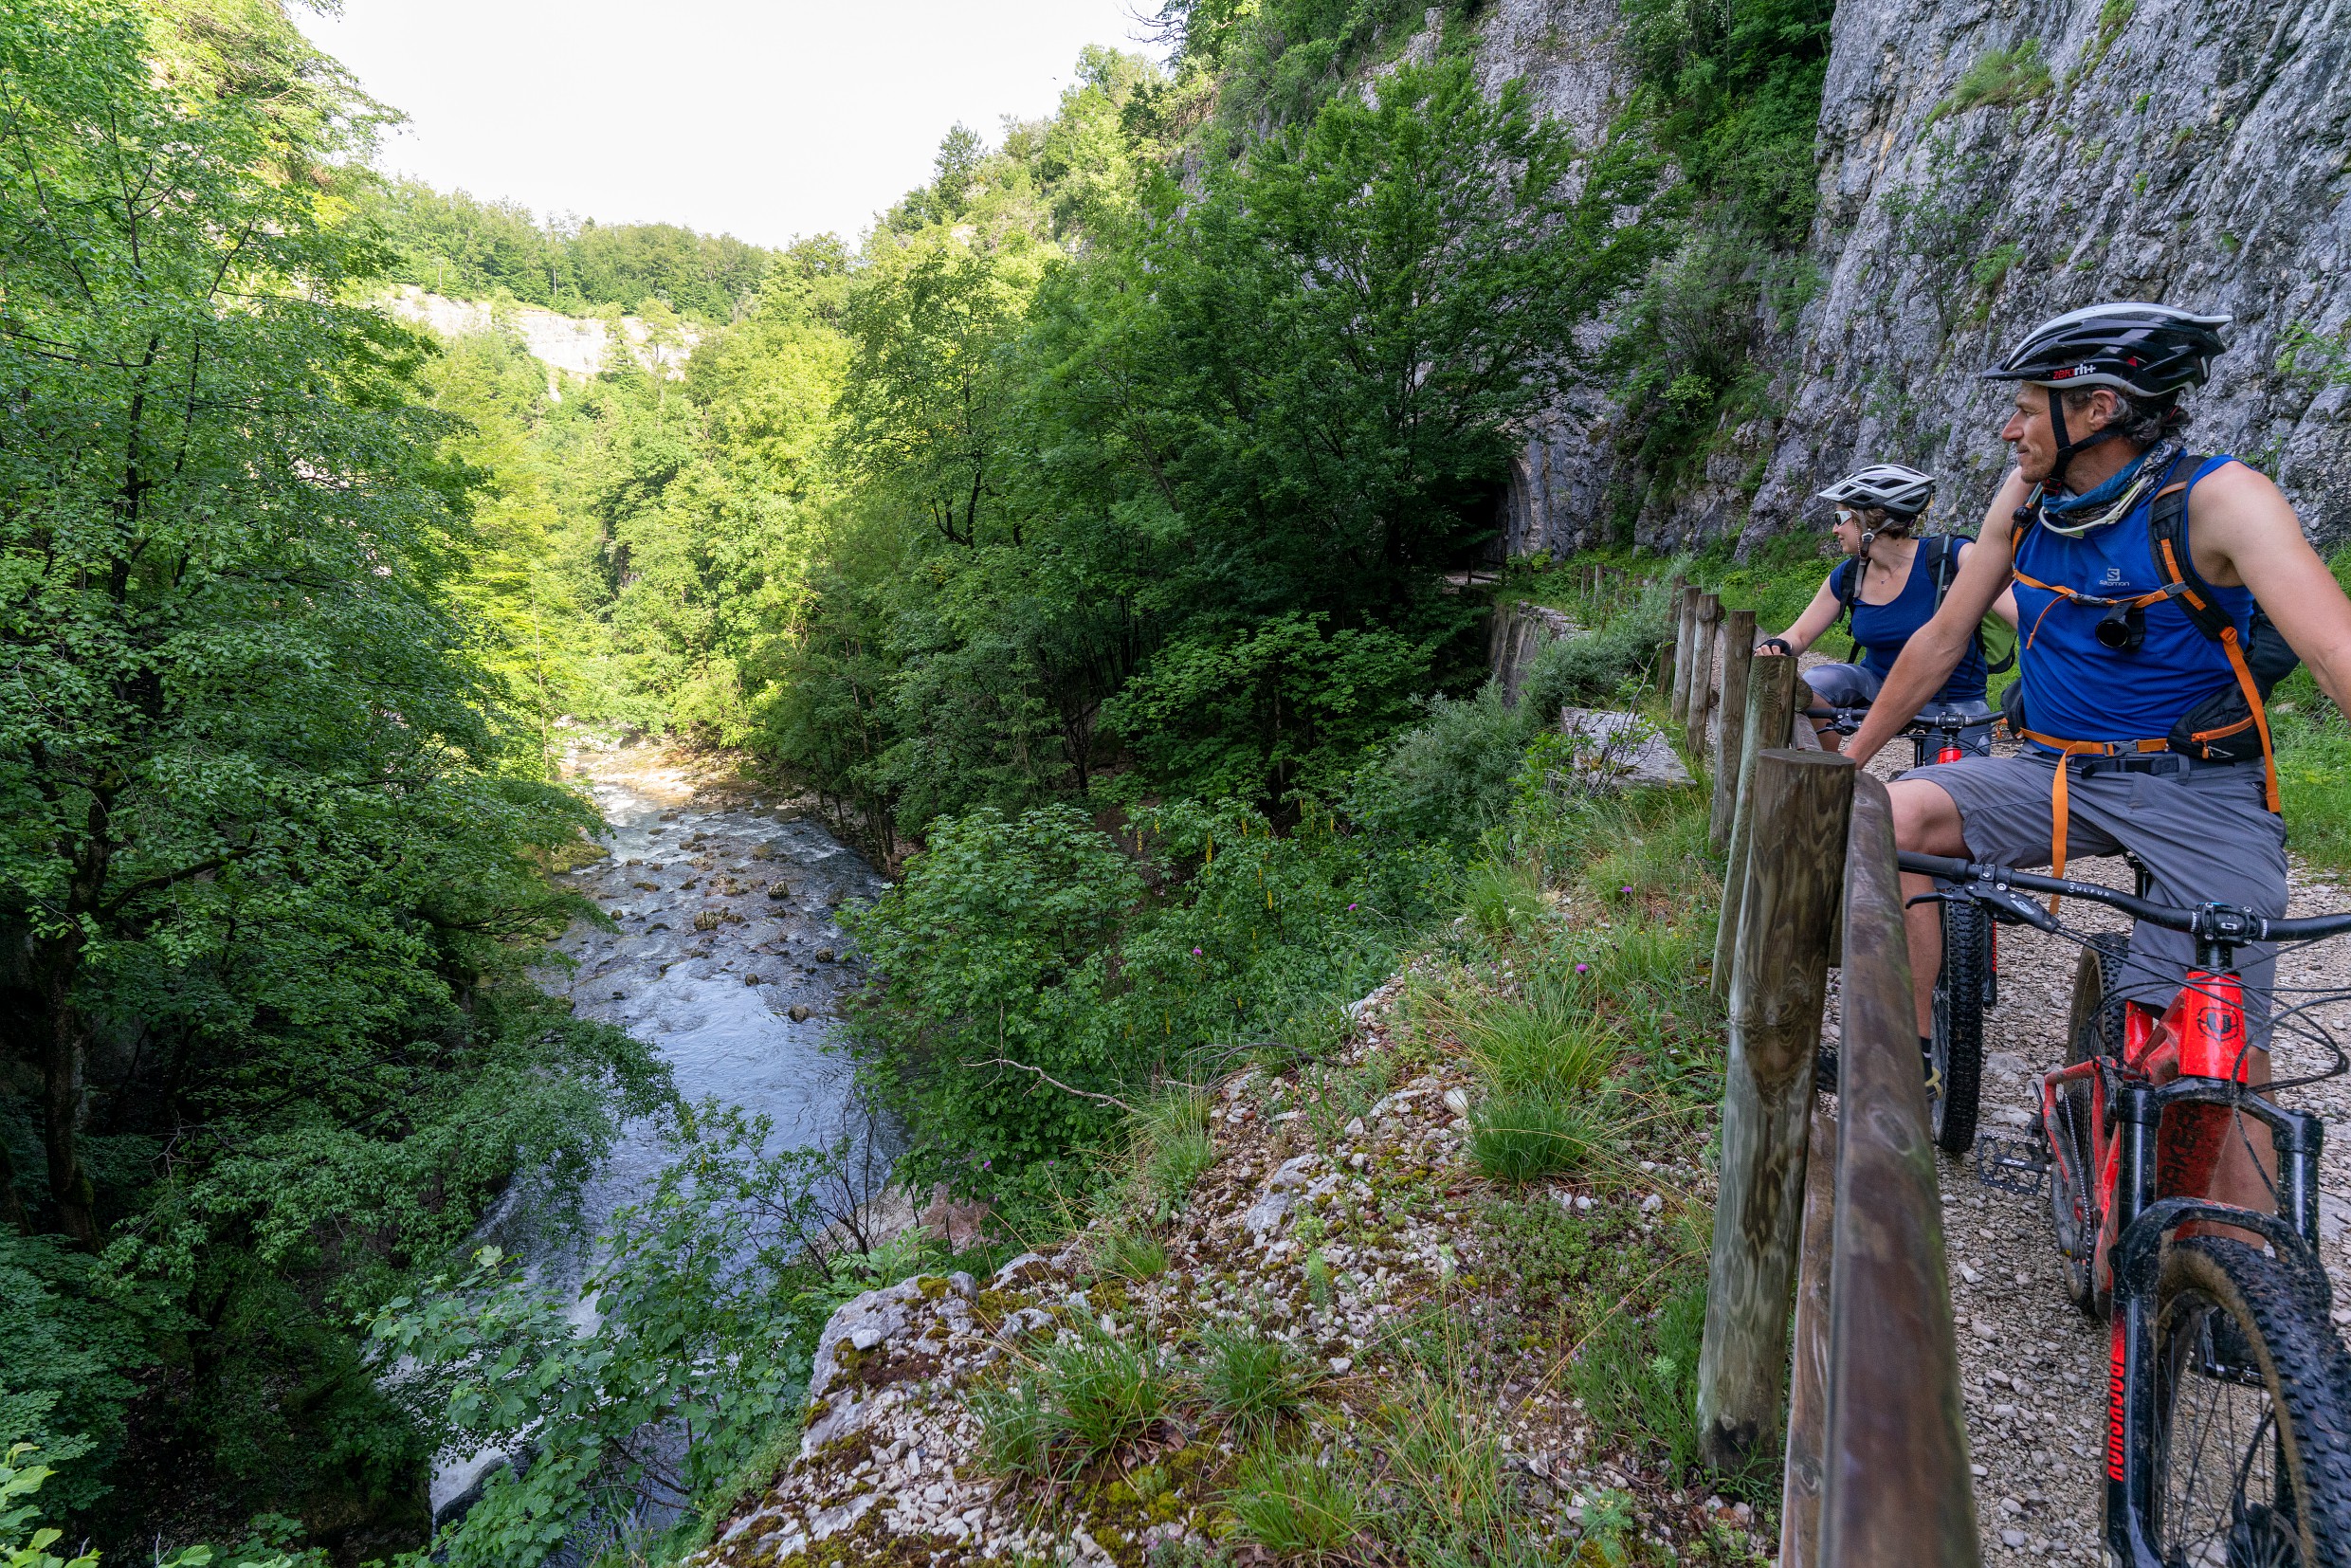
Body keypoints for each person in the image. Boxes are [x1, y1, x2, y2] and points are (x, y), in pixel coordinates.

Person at [1843, 301, 2351, 1211]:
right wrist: (1851, 763)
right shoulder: (2026, 499)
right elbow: (1940, 637)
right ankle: (1907, 1057)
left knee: (2220, 1044)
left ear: (2099, 409)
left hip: (2201, 789)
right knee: (1893, 813)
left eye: (2028, 409)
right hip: (2054, 773)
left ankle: (2251, 1280)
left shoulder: (2221, 499)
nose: (2008, 429)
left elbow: (2332, 649)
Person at [1755, 464, 2018, 751]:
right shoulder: (1849, 575)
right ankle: (1824, 772)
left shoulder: (1952, 559)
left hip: (1953, 698)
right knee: (1814, 683)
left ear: (1872, 519)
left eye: (1840, 517)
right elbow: (1800, 636)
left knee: (1950, 789)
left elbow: (2027, 620)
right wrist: (1779, 646)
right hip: (1878, 685)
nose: (1834, 529)